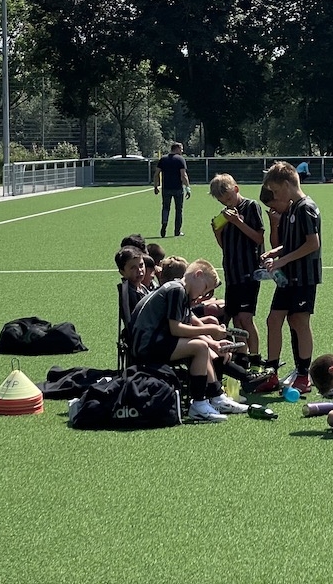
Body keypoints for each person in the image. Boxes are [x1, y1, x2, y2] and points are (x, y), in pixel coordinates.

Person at [127, 258, 248, 422]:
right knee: (199, 347)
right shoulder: (177, 290)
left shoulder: (179, 289)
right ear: (198, 275)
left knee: (203, 346)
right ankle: (199, 404)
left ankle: (216, 396)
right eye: (205, 288)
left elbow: (189, 323)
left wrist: (213, 343)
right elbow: (176, 329)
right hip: (147, 346)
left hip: (152, 342)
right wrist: (211, 330)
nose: (203, 295)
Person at [251, 161, 322, 395]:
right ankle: (271, 373)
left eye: (275, 190)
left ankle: (304, 375)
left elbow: (312, 244)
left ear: (286, 184)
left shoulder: (306, 207)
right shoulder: (292, 208)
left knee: (299, 322)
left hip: (303, 277)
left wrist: (281, 261)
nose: (274, 195)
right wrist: (276, 252)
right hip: (288, 277)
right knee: (273, 320)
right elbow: (293, 242)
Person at [209, 173, 266, 366]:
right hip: (231, 272)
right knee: (236, 319)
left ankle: (255, 357)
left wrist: (237, 222)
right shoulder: (225, 214)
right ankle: (242, 357)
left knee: (245, 317)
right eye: (223, 201)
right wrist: (217, 231)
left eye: (229, 198)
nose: (228, 203)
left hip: (248, 271)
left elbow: (258, 238)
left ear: (236, 189)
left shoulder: (251, 206)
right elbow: (224, 246)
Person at [152, 142, 191, 238]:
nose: (182, 151)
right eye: (181, 149)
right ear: (177, 149)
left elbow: (156, 174)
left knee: (165, 208)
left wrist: (156, 186)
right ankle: (177, 231)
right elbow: (183, 175)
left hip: (166, 188)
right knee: (179, 210)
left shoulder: (163, 159)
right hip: (178, 189)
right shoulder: (180, 159)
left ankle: (164, 225)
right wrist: (187, 188)